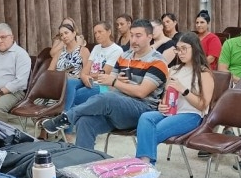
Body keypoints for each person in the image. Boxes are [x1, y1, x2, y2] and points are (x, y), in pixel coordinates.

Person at [41, 19, 169, 150]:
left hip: (141, 110)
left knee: (107, 98)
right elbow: (109, 85)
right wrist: (115, 82)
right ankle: (83, 163)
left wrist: (115, 82)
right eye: (131, 35)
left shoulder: (157, 61)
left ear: (150, 37)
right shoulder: (125, 56)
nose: (133, 40)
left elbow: (141, 92)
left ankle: (66, 118)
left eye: (138, 35)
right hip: (117, 109)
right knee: (85, 121)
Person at [135, 32, 213, 164]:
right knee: (145, 117)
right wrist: (162, 105)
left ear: (194, 49)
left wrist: (183, 89)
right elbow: (166, 96)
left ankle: (143, 167)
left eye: (184, 49)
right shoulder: (174, 69)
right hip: (171, 112)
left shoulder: (204, 73)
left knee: (152, 133)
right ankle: (145, 167)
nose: (180, 53)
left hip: (191, 115)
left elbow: (203, 105)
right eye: (178, 49)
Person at [67, 21, 123, 111]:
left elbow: (104, 73)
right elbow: (86, 69)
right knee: (70, 83)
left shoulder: (117, 50)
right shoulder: (96, 48)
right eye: (95, 33)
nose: (97, 35)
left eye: (100, 32)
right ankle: (68, 114)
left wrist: (85, 76)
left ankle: (67, 115)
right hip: (89, 80)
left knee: (75, 95)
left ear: (109, 32)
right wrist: (84, 76)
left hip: (103, 85)